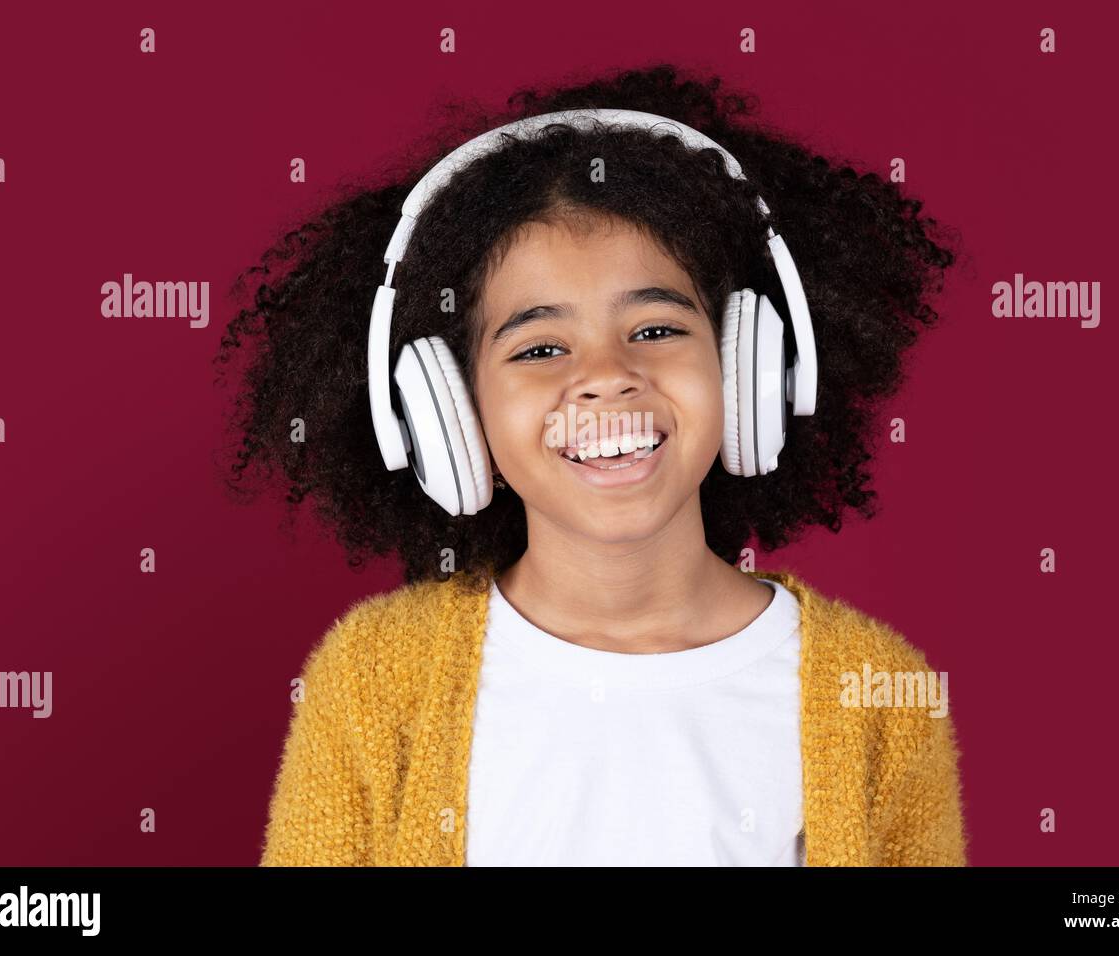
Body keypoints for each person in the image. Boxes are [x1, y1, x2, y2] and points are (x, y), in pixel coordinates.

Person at [217, 64, 967, 866]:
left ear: (748, 367)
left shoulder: (875, 689)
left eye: (655, 329)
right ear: (447, 414)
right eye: (540, 347)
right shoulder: (373, 679)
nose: (606, 373)